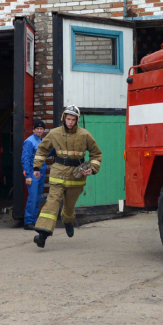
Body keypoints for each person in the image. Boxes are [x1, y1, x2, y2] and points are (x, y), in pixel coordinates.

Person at [31, 105, 102, 248]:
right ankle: (42, 235)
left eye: (73, 120)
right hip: (58, 174)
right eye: (68, 119)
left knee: (69, 207)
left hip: (77, 177)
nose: (70, 122)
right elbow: (42, 149)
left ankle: (68, 220)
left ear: (77, 120)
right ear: (64, 118)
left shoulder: (85, 135)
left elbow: (96, 153)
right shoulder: (54, 133)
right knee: (52, 203)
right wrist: (37, 166)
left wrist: (93, 169)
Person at [21, 119, 48, 230]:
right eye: (37, 128)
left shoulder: (44, 141)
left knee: (37, 197)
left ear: (43, 130)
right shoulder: (29, 141)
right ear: (33, 129)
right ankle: (28, 222)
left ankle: (34, 220)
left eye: (41, 129)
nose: (39, 130)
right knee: (32, 197)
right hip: (32, 172)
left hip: (41, 172)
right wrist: (27, 175)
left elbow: (48, 152)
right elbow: (25, 159)